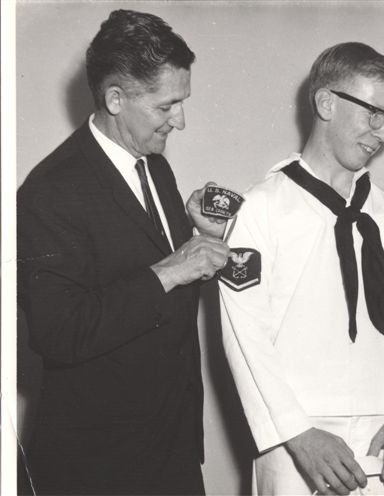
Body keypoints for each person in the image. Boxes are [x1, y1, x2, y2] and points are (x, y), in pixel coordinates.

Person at [17, 10, 230, 495]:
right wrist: (171, 269)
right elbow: (60, 333)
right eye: (165, 106)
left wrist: (195, 237)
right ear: (115, 98)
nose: (181, 120)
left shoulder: (154, 168)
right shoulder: (48, 192)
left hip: (171, 451)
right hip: (96, 469)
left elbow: (143, 277)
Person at [217, 42, 384, 495]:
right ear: (326, 103)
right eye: (373, 114)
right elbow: (246, 336)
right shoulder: (263, 209)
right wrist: (296, 433)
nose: (382, 133)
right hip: (300, 438)